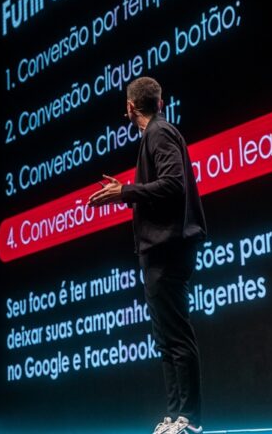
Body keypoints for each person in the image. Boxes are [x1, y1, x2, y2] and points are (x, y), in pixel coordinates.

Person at [88, 76, 207, 434]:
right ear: (160, 101)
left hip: (169, 247)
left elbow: (173, 184)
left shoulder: (159, 132)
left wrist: (125, 191)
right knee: (165, 339)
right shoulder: (154, 133)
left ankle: (190, 419)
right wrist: (127, 191)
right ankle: (175, 416)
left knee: (176, 336)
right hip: (159, 250)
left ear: (129, 107)